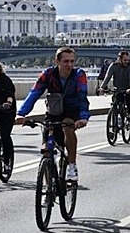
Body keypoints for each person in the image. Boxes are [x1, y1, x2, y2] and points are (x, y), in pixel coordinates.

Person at [16, 47, 89, 181]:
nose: (69, 65)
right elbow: (35, 92)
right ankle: (48, 186)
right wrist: (21, 113)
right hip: (54, 111)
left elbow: (82, 97)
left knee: (67, 127)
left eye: (72, 61)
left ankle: (72, 166)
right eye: (66, 61)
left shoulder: (79, 74)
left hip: (71, 111)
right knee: (46, 150)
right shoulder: (48, 74)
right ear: (57, 61)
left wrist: (83, 118)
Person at [99, 51, 130, 119]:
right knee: (116, 101)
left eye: (128, 60)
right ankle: (115, 118)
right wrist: (102, 87)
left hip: (128, 88)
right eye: (125, 60)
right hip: (118, 88)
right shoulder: (113, 66)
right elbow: (107, 77)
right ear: (120, 59)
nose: (126, 62)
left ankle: (129, 113)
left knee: (128, 98)